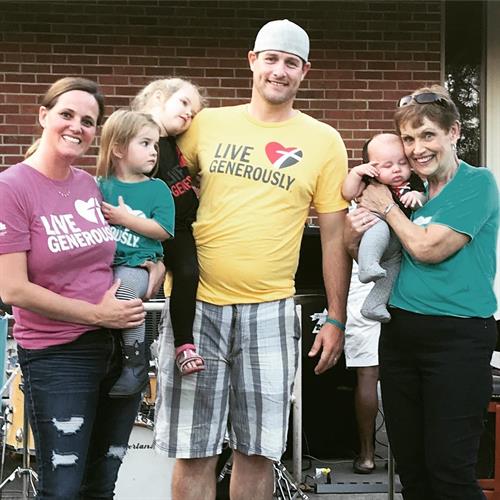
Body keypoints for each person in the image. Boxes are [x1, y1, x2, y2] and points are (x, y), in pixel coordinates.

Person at [153, 19, 351, 500]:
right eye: (271, 59)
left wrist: (336, 318)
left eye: (291, 63)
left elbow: (333, 237)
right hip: (195, 308)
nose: (279, 71)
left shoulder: (324, 140)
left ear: (304, 71)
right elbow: (151, 175)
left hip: (271, 310)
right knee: (194, 450)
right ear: (252, 61)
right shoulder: (206, 124)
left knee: (258, 451)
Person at [0, 77, 164, 500]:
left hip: (117, 349)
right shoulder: (11, 188)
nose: (77, 126)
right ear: (43, 116)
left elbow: (118, 252)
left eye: (88, 121)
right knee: (62, 490)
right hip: (59, 356)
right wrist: (96, 314)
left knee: (101, 487)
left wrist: (154, 270)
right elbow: (12, 289)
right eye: (66, 114)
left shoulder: (90, 185)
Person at [345, 84, 499, 500]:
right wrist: (355, 232)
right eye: (409, 139)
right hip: (401, 336)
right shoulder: (412, 193)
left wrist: (386, 208)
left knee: (450, 474)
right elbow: (365, 255)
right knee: (412, 473)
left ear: (454, 132)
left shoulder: (477, 183)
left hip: (457, 339)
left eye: (428, 135)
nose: (417, 149)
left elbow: (428, 249)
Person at [131, 78, 207, 376]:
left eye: (194, 112)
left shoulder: (175, 144)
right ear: (159, 98)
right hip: (159, 229)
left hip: (184, 228)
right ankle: (132, 354)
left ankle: (184, 345)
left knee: (189, 273)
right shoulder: (140, 138)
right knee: (139, 287)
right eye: (184, 103)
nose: (189, 113)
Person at [96, 109, 175, 396]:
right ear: (118, 149)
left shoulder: (157, 189)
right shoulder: (99, 186)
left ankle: (135, 363)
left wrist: (125, 218)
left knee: (125, 294)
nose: (154, 151)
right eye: (145, 143)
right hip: (104, 265)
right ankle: (109, 358)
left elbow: (164, 229)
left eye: (155, 145)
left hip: (138, 265)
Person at [342, 133, 426, 322]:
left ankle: (374, 304)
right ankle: (368, 265)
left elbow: (423, 197)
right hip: (375, 228)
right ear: (372, 168)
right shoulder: (370, 181)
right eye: (387, 166)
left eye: (402, 163)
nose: (397, 169)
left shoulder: (413, 182)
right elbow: (348, 193)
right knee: (378, 227)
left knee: (393, 270)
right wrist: (356, 173)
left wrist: (417, 197)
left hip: (396, 243)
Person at [345, 259, 380, 474]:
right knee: (403, 373)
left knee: (367, 374)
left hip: (361, 284)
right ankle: (403, 455)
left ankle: (367, 456)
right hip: (400, 283)